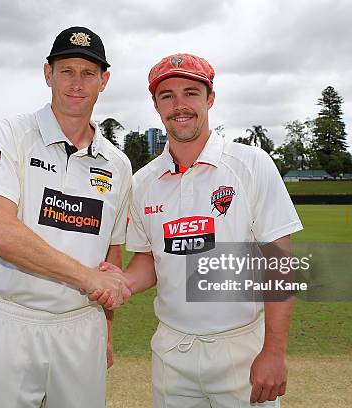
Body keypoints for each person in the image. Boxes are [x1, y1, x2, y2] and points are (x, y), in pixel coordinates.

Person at [91, 53, 303, 407]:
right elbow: (149, 261)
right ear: (156, 104)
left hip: (242, 350)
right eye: (167, 95)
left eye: (191, 92)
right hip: (172, 352)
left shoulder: (250, 164)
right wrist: (120, 283)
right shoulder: (143, 182)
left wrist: (274, 351)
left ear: (210, 98)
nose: (180, 105)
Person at [0, 26, 133, 408]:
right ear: (48, 74)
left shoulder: (118, 164)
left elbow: (112, 255)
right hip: (11, 323)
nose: (77, 83)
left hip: (82, 327)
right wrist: (85, 276)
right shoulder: (9, 135)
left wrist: (106, 330)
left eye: (88, 73)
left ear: (103, 81)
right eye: (67, 71)